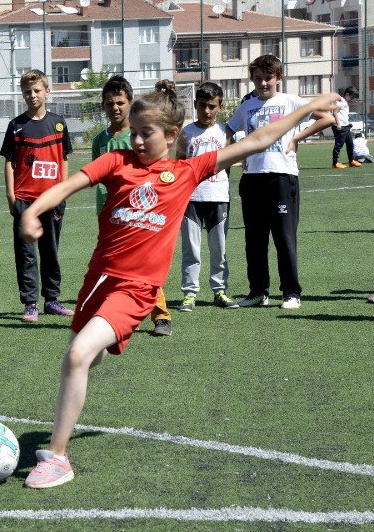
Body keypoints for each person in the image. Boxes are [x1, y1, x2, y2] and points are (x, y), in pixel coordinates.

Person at [18, 81, 340, 488]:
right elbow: (67, 185)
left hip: (136, 290)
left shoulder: (187, 171)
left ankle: (58, 457)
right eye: (133, 131)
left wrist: (308, 107)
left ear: (172, 135)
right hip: (97, 281)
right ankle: (68, 421)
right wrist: (33, 213)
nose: (135, 139)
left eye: (145, 132)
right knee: (84, 356)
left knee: (79, 355)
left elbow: (259, 139)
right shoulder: (116, 161)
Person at [226, 54, 335, 310]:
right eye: (258, 79)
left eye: (268, 78)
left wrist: (298, 138)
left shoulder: (291, 101)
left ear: (278, 78)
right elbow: (229, 130)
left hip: (282, 178)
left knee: (284, 238)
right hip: (252, 179)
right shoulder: (246, 106)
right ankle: (258, 292)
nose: (263, 83)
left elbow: (327, 118)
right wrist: (238, 154)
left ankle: (291, 292)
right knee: (254, 239)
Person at [92, 75, 173, 336]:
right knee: (110, 265)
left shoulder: (138, 136)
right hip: (107, 214)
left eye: (120, 102)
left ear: (130, 103)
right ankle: (112, 315)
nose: (115, 108)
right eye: (109, 104)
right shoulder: (99, 141)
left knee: (145, 266)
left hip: (139, 214)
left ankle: (161, 316)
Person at [0, 69, 74, 321]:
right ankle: (30, 303)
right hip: (24, 200)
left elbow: (64, 159)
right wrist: (11, 196)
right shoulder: (16, 126)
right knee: (26, 253)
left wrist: (62, 191)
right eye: (27, 92)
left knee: (50, 251)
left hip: (52, 199)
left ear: (47, 92)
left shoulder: (59, 122)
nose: (32, 95)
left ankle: (52, 300)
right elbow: (9, 163)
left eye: (36, 90)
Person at [177, 82, 238, 311]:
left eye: (212, 106)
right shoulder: (186, 132)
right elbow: (181, 165)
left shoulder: (225, 133)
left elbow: (229, 165)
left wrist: (222, 188)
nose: (206, 111)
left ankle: (219, 291)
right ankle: (189, 293)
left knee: (218, 248)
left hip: (218, 197)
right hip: (191, 199)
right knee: (191, 249)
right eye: (202, 106)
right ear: (195, 104)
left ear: (220, 107)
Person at [331, 86, 361, 169]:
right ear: (347, 94)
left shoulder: (344, 102)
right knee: (339, 145)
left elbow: (343, 114)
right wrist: (338, 124)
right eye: (352, 96)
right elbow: (335, 112)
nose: (352, 98)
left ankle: (351, 161)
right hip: (340, 127)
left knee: (350, 144)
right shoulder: (341, 101)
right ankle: (335, 163)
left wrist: (347, 123)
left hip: (346, 126)